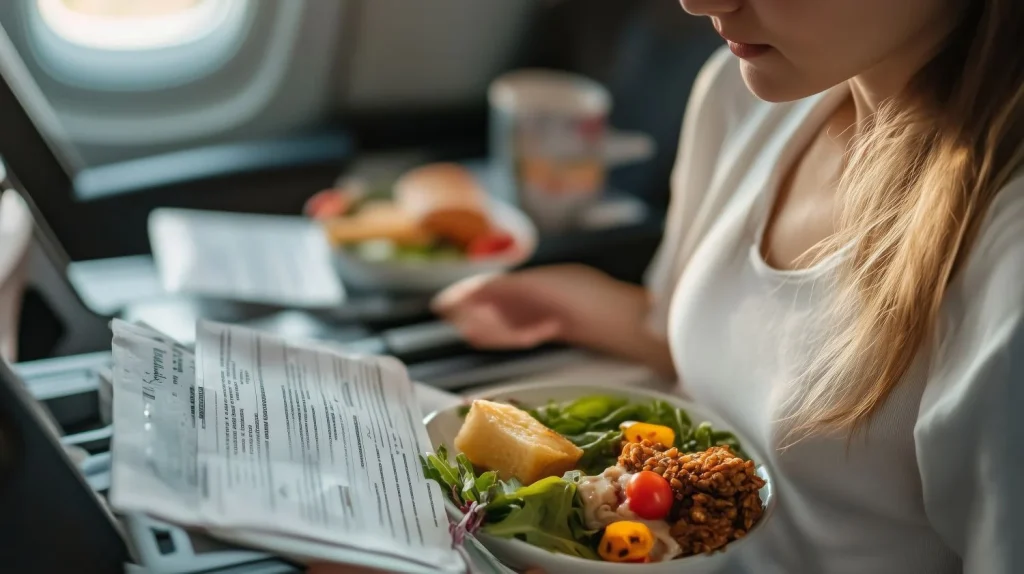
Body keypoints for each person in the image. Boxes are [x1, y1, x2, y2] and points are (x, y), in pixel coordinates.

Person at [431, 0, 1024, 572]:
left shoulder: (1005, 254)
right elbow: (706, 343)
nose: (696, 3)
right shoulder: (745, 92)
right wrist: (568, 302)